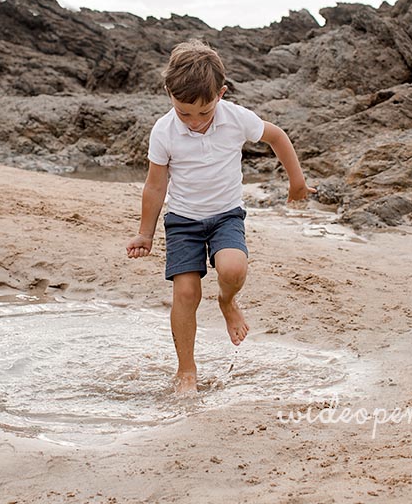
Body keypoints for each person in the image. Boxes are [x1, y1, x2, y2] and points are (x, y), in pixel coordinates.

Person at [126, 40, 314, 394]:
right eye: (185, 113)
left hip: (227, 215)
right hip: (183, 221)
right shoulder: (163, 132)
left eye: (204, 112)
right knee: (185, 293)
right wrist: (145, 233)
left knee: (232, 269)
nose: (195, 122)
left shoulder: (235, 118)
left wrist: (297, 183)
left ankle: (227, 301)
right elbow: (154, 186)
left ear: (221, 94)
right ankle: (186, 369)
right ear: (169, 95)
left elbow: (277, 137)